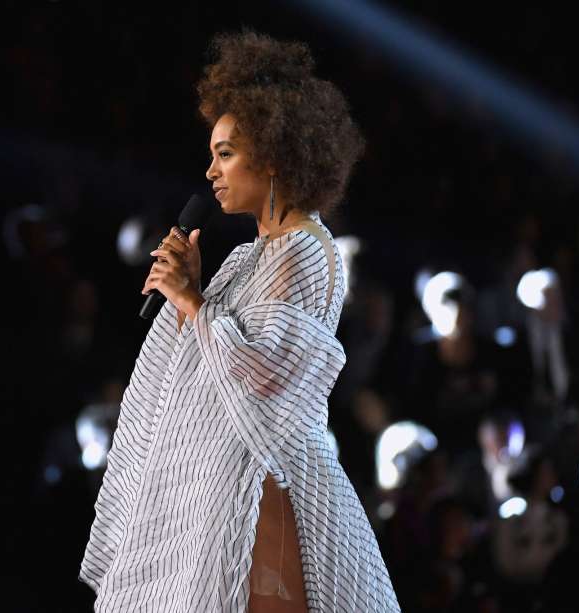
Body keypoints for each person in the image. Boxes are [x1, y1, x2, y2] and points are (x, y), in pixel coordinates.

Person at [79, 31, 401, 612]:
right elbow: (206, 361)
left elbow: (268, 375)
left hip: (266, 484)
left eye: (225, 153)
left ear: (275, 155)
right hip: (222, 483)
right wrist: (193, 294)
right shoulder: (252, 255)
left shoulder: (303, 248)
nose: (211, 171)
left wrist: (193, 301)